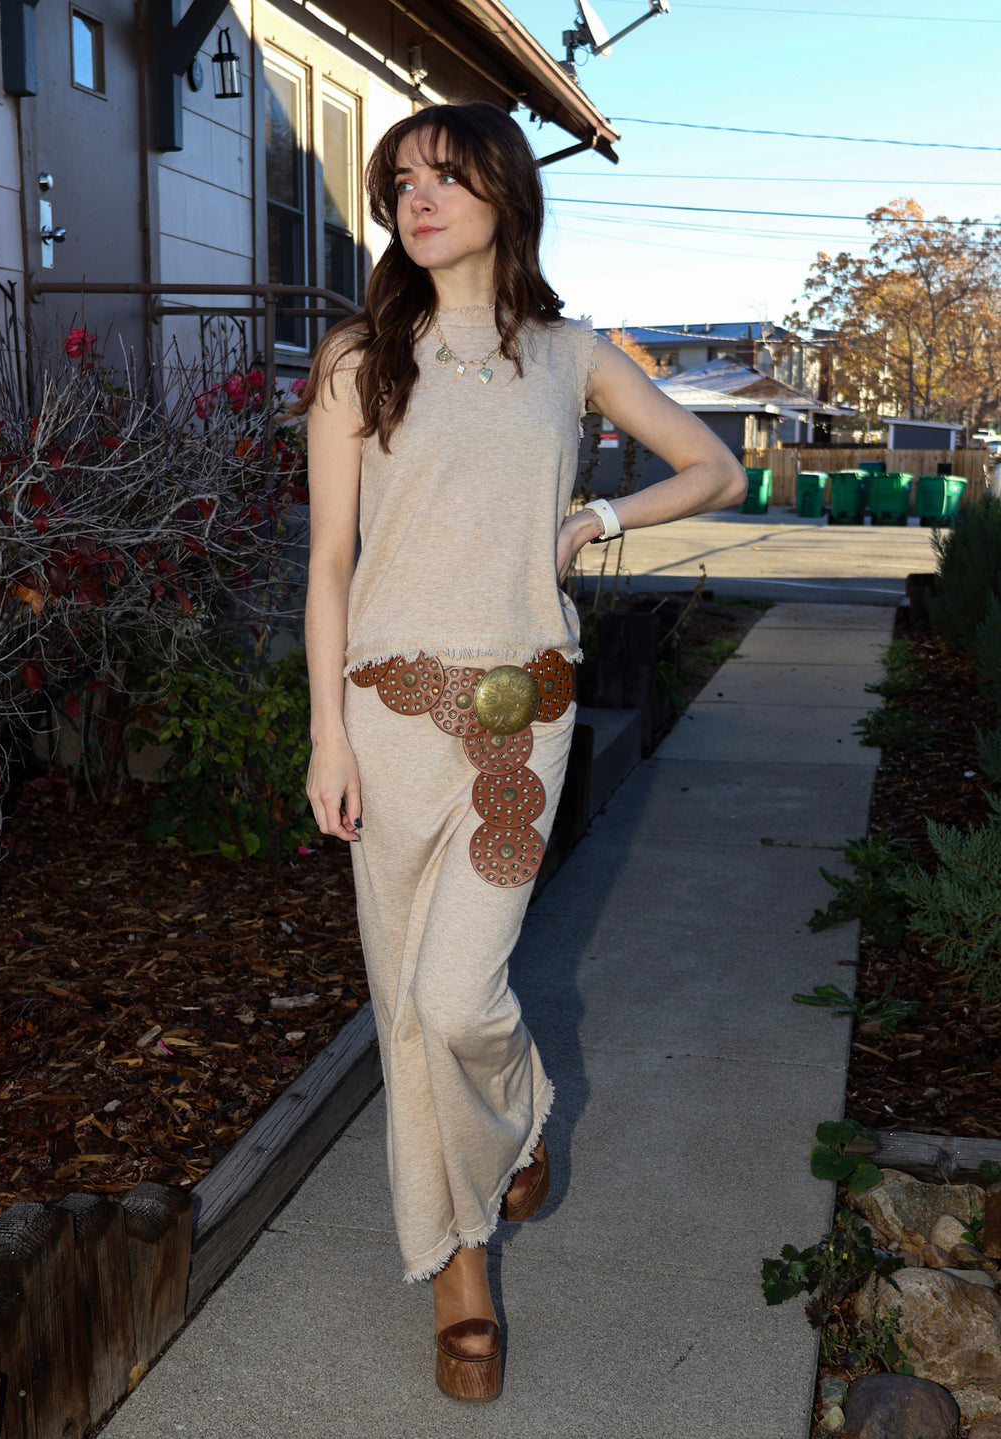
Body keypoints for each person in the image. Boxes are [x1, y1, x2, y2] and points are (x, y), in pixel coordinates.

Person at [299, 100, 745, 1402]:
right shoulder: (356, 360)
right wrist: (325, 733)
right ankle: (461, 1268)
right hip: (385, 723)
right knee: (406, 1009)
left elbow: (713, 470)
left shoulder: (571, 354)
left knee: (458, 999)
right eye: (399, 182)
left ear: (505, 192)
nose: (417, 199)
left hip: (519, 723)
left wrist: (594, 518)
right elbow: (328, 565)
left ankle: (520, 1116)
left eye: (444, 176)